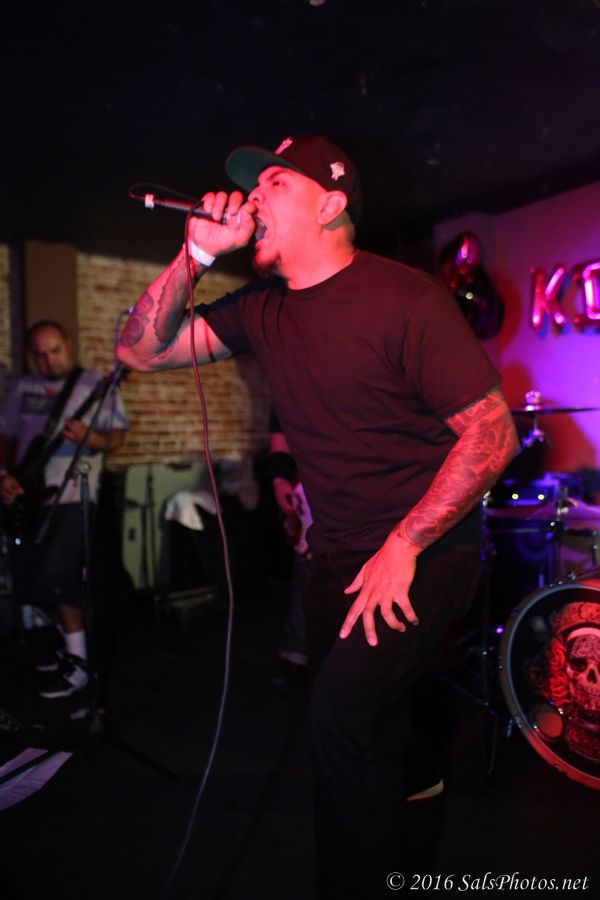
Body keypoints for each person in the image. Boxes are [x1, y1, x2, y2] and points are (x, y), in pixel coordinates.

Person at [117, 135, 518, 898]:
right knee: (373, 725)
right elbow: (140, 352)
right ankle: (414, 819)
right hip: (334, 555)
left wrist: (404, 543)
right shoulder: (260, 308)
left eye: (274, 183)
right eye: (254, 185)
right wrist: (195, 257)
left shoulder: (404, 298)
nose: (253, 197)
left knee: (340, 722)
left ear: (331, 204)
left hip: (426, 550)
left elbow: (492, 434)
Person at [0, 320, 128, 699]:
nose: (48, 360)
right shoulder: (24, 388)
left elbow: (117, 435)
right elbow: (7, 437)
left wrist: (92, 438)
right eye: (39, 354)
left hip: (73, 494)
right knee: (32, 580)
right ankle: (72, 648)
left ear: (67, 345)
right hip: (29, 497)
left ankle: (80, 665)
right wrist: (6, 476)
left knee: (59, 577)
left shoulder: (92, 385)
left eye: (54, 351)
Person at [269, 408, 311, 683]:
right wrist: (280, 479)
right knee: (307, 566)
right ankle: (297, 653)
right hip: (307, 489)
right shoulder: (286, 387)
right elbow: (279, 436)